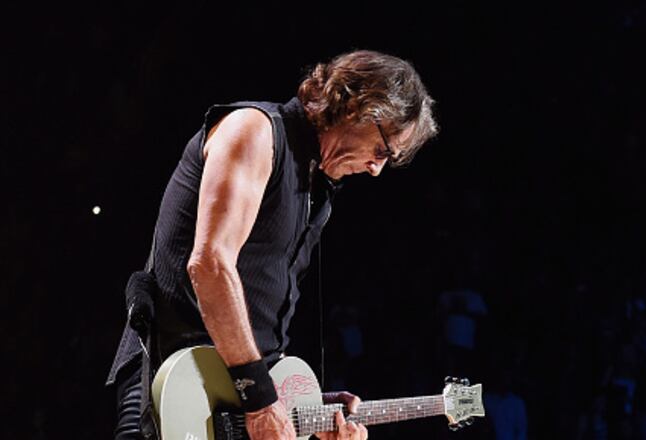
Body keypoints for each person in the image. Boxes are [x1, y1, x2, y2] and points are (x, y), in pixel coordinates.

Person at [106, 50, 438, 440]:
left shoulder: (316, 188)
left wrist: (297, 406)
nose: (377, 168)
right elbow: (210, 265)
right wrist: (262, 398)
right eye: (383, 150)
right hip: (178, 382)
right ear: (358, 107)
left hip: (232, 394)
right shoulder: (255, 130)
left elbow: (259, 317)